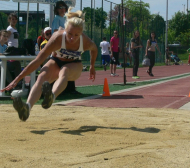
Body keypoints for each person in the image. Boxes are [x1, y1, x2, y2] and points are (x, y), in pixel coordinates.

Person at [1, 7, 97, 122]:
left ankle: (51, 96)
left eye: (76, 35)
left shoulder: (85, 41)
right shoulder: (57, 38)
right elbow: (37, 60)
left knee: (65, 70)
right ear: (65, 30)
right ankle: (27, 108)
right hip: (56, 61)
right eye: (70, 34)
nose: (72, 38)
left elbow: (94, 50)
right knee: (41, 77)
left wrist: (92, 66)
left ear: (81, 33)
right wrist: (17, 78)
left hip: (74, 64)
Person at [52, 1, 78, 94]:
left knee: (70, 65)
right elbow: (55, 31)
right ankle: (63, 89)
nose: (62, 9)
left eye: (63, 7)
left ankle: (70, 88)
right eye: (60, 7)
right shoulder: (57, 19)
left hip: (67, 46)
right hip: (60, 46)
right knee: (62, 66)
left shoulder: (66, 19)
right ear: (57, 9)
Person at [6, 13, 22, 88]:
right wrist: (8, 47)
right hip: (11, 49)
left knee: (17, 64)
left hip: (16, 49)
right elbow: (6, 39)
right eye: (12, 19)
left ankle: (17, 83)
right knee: (15, 64)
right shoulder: (9, 29)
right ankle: (13, 83)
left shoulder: (15, 28)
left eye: (15, 19)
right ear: (9, 20)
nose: (14, 21)